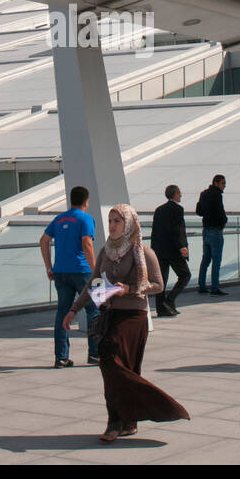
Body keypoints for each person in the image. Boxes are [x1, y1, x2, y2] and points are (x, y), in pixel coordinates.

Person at [62, 204, 190, 442]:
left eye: (117, 221)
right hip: (112, 314)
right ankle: (122, 421)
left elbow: (158, 285)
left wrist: (129, 289)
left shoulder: (142, 251)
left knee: (117, 364)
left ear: (129, 224)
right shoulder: (105, 251)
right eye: (110, 221)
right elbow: (92, 284)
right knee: (112, 368)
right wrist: (73, 310)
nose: (112, 225)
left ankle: (128, 418)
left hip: (134, 317)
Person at [39, 185, 99, 367]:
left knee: (63, 312)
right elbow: (87, 243)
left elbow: (44, 240)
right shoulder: (86, 218)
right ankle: (95, 354)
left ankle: (61, 357)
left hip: (60, 272)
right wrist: (95, 270)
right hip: (82, 271)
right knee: (94, 309)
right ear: (86, 201)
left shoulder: (58, 219)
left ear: (71, 200)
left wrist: (49, 267)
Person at [151, 185, 190, 316]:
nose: (181, 195)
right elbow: (178, 230)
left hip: (159, 250)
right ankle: (169, 300)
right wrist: (183, 246)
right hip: (174, 250)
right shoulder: (178, 209)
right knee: (185, 275)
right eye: (179, 193)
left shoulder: (159, 210)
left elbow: (155, 232)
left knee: (161, 280)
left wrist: (153, 250)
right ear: (174, 194)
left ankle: (161, 309)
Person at [195, 174, 228, 296]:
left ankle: (202, 285)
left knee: (205, 259)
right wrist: (224, 221)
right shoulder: (217, 195)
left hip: (206, 230)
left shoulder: (204, 194)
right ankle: (215, 287)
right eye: (223, 183)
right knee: (216, 260)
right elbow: (220, 212)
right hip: (215, 230)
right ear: (216, 183)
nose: (224, 186)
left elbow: (199, 211)